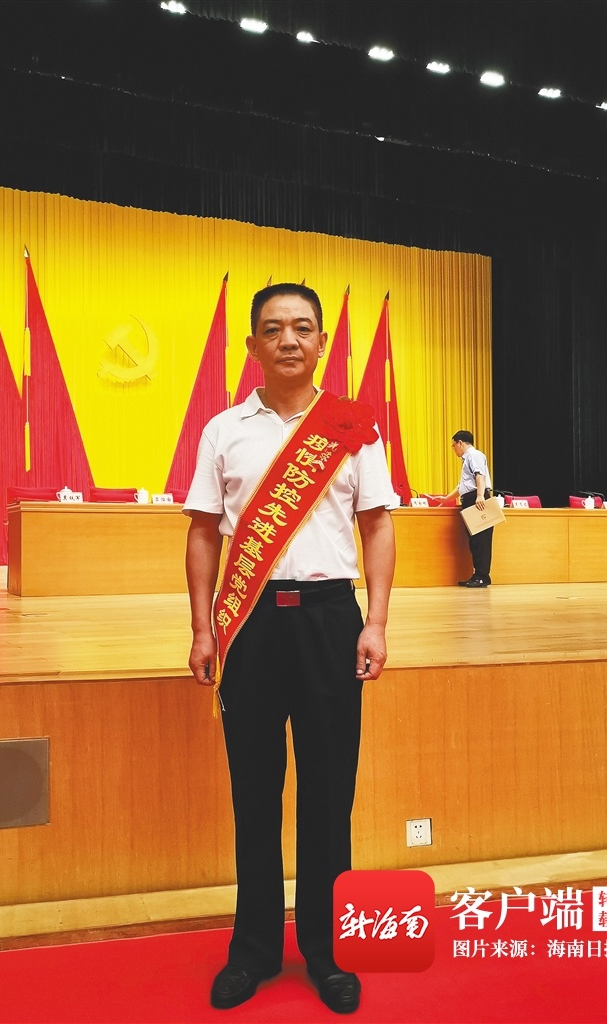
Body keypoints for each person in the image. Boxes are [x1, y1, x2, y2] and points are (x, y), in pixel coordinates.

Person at [183, 283, 395, 1014]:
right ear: (251, 346)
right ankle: (252, 951)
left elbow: (377, 525)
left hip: (331, 619)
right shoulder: (223, 431)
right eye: (272, 329)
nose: (289, 341)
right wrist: (203, 627)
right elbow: (203, 532)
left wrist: (376, 621)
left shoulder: (352, 426)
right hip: (251, 625)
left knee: (330, 792)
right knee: (253, 791)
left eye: (303, 328)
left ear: (321, 342)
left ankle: (328, 952)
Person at [440, 429, 494, 588]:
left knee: (481, 540)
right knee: (474, 540)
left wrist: (480, 495)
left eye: (453, 445)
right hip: (471, 499)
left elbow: (479, 475)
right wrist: (447, 498)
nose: (453, 449)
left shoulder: (473, 455)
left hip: (477, 500)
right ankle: (477, 575)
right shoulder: (467, 459)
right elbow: (463, 486)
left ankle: (482, 577)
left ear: (460, 443)